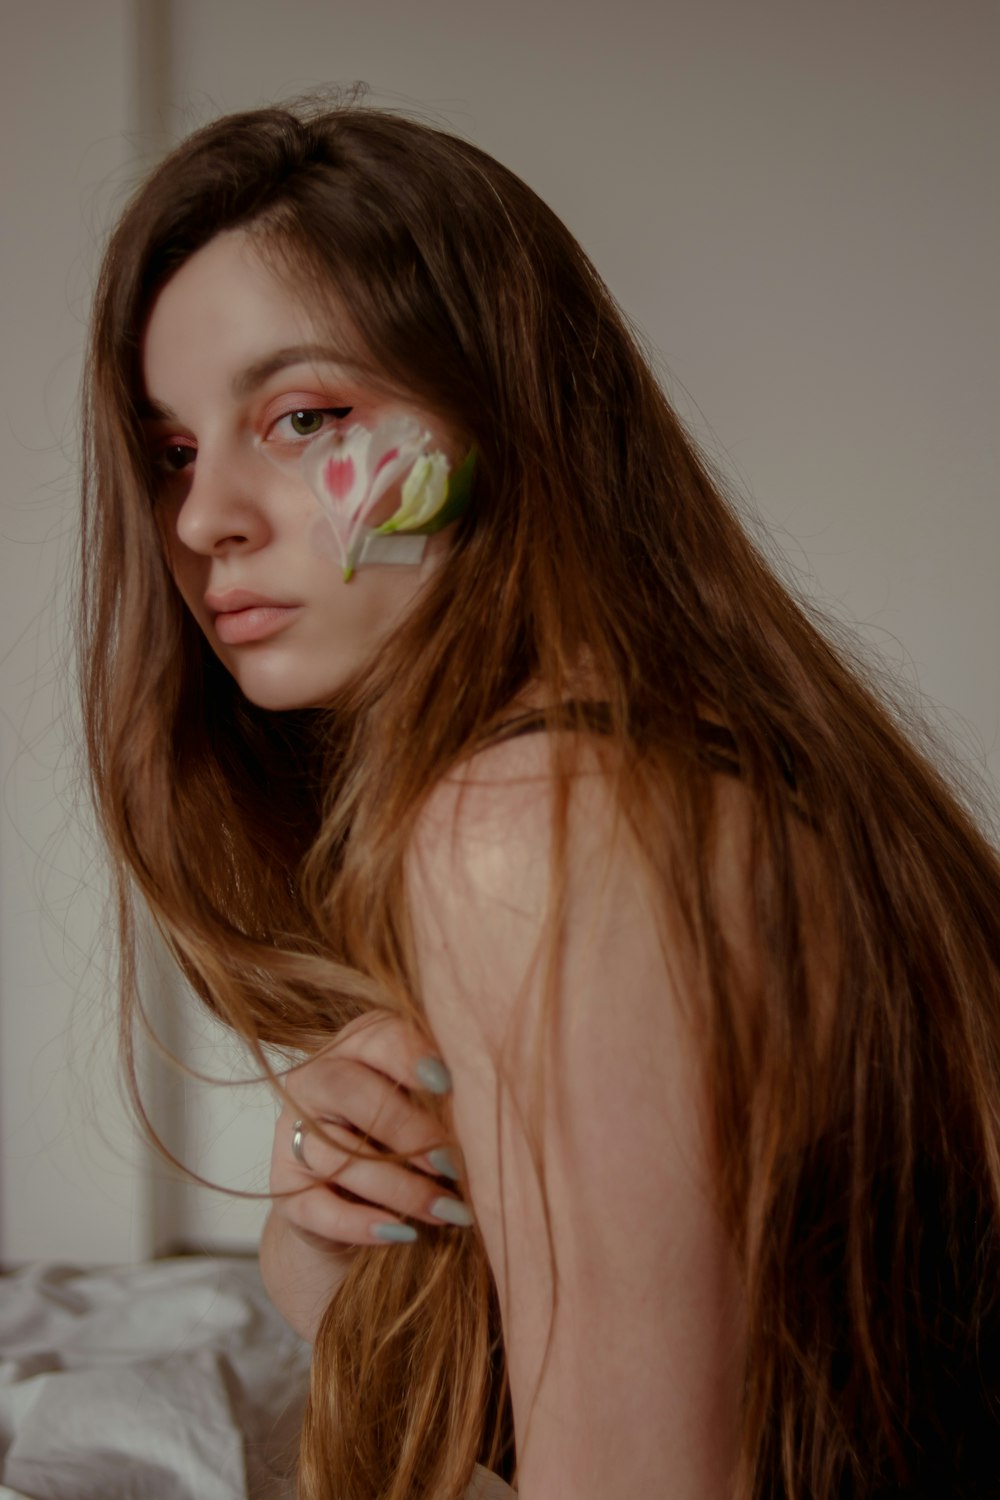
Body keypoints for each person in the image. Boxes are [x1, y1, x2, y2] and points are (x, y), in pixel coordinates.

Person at [79, 98, 1000, 1500]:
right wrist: (327, 1254)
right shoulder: (657, 765)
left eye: (305, 414)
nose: (204, 520)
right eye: (175, 452)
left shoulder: (542, 825)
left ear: (506, 422)